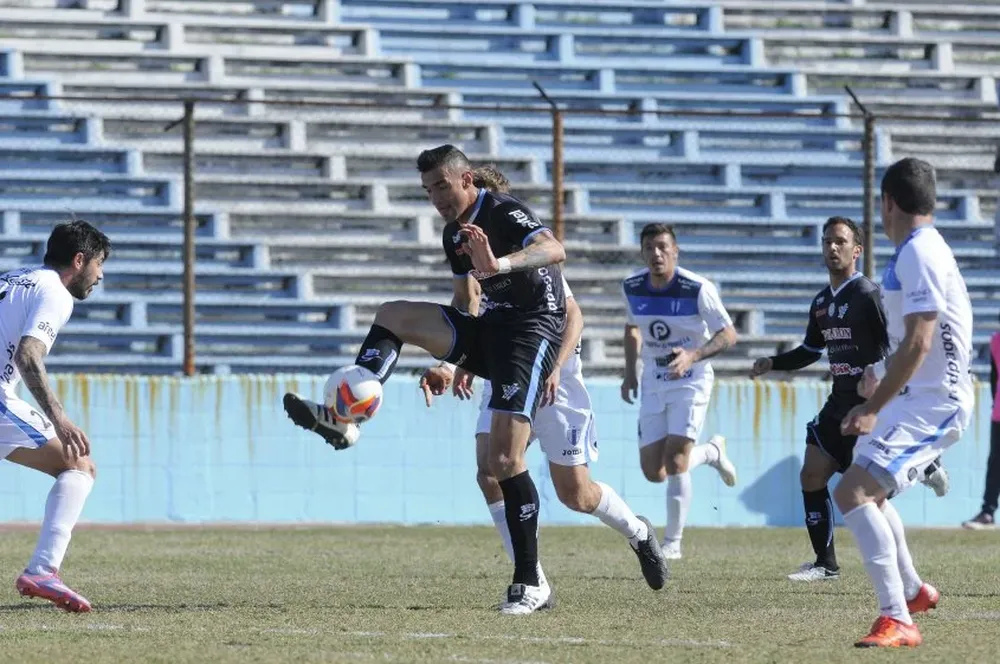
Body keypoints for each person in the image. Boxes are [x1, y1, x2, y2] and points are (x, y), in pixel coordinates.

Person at [284, 145, 568, 614]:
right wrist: (449, 359)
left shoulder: (503, 210)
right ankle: (345, 418)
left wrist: (499, 264)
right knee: (392, 315)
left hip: (531, 333)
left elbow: (554, 249)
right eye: (427, 189)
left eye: (441, 185)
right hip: (491, 329)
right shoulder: (453, 233)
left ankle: (530, 585)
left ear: (467, 179)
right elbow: (465, 298)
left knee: (503, 459)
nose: (435, 196)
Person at [420, 166, 669, 593]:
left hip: (557, 375)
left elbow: (573, 314)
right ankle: (530, 576)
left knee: (576, 493)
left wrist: (553, 366)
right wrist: (455, 360)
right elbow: (469, 307)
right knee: (489, 470)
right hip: (508, 367)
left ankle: (638, 532)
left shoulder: (530, 254)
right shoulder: (470, 250)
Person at [751, 216, 949, 582]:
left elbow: (898, 348)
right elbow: (811, 351)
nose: (832, 247)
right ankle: (825, 565)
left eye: (840, 241)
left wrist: (885, 387)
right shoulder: (822, 302)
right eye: (827, 241)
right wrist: (772, 362)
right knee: (811, 474)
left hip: (872, 406)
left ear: (856, 250)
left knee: (870, 497)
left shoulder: (868, 295)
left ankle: (923, 466)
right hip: (839, 402)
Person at [838, 157, 974, 647]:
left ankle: (897, 618)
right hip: (918, 395)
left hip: (936, 402)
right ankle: (913, 592)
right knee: (863, 489)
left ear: (888, 202)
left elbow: (921, 341)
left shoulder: (920, 253)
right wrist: (880, 377)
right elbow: (914, 342)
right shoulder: (917, 250)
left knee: (851, 492)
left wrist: (875, 406)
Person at [1, 220, 111, 613]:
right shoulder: (55, 292)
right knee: (78, 463)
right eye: (98, 264)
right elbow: (28, 354)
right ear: (79, 260)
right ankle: (43, 571)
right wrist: (59, 417)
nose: (99, 276)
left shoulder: (13, 278)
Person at [620, 223, 739, 560]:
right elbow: (632, 329)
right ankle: (711, 453)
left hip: (692, 378)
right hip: (654, 380)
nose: (656, 254)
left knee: (675, 461)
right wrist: (630, 373)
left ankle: (673, 542)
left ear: (675, 251)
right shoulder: (632, 286)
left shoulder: (697, 288)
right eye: (649, 248)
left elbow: (728, 334)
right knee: (653, 471)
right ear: (642, 252)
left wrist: (694, 355)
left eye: (662, 247)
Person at [962, 317, 1000, 529]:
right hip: (999, 414)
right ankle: (987, 512)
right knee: (995, 464)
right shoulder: (995, 341)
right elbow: (995, 378)